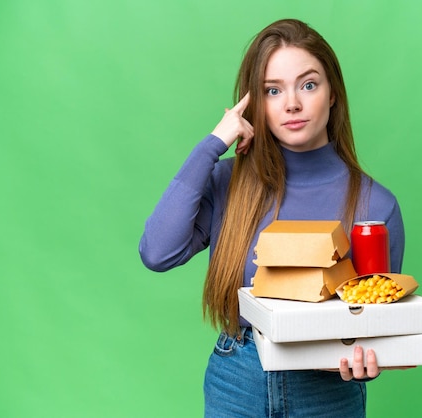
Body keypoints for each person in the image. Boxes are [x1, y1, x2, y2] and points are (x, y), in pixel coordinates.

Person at [139, 18, 406, 417]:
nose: (292, 103)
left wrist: (367, 362)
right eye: (272, 90)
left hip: (327, 391)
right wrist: (213, 144)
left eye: (309, 84)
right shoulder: (229, 182)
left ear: (333, 94)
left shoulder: (374, 205)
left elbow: (374, 324)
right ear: (257, 103)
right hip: (236, 382)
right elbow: (158, 253)